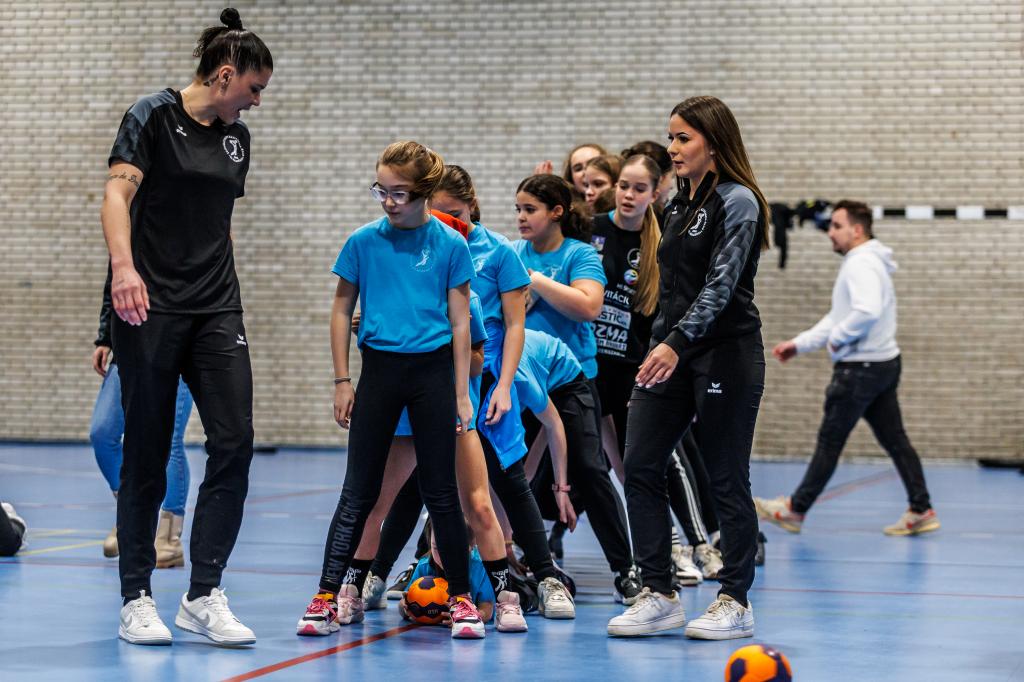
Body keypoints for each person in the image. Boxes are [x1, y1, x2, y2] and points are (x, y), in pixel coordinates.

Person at [102, 7, 271, 646]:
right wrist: (124, 272)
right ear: (225, 75)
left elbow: (218, 223)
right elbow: (116, 196)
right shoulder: (151, 115)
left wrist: (221, 286)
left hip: (217, 308)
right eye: (253, 88)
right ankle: (136, 597)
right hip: (150, 307)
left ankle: (203, 595)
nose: (256, 102)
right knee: (145, 450)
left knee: (234, 441)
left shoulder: (237, 139)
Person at [299, 141, 487, 641]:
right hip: (379, 373)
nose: (388, 201)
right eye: (380, 190)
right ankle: (325, 596)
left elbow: (461, 322)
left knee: (441, 492)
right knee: (357, 491)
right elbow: (341, 309)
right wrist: (342, 379)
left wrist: (461, 393)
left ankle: (461, 599)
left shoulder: (451, 245)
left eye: (399, 193)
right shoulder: (363, 241)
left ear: (424, 192)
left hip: (432, 376)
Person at [607, 96, 769, 639]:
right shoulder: (677, 205)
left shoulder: (738, 201)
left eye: (683, 138)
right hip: (670, 351)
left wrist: (675, 343)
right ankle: (659, 594)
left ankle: (735, 600)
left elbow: (721, 286)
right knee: (640, 465)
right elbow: (671, 289)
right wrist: (661, 342)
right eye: (670, 137)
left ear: (714, 143)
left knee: (725, 476)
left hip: (725, 353)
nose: (672, 148)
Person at [755, 200, 939, 536]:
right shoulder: (869, 260)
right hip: (882, 365)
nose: (830, 232)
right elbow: (840, 316)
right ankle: (921, 508)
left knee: (830, 441)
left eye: (836, 226)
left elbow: (865, 312)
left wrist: (837, 341)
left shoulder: (860, 264)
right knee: (895, 440)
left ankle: (795, 510)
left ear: (857, 230)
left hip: (859, 371)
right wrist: (801, 343)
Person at [513, 174, 641, 604]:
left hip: (573, 378)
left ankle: (625, 570)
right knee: (511, 469)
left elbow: (588, 306)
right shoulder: (512, 253)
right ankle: (513, 557)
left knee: (590, 467)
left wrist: (535, 280)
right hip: (525, 374)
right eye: (517, 209)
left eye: (530, 209)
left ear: (557, 213)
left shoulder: (579, 254)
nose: (521, 217)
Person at [90, 278, 193, 567]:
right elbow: (114, 281)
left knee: (170, 439)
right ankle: (132, 515)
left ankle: (168, 538)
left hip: (177, 341)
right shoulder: (123, 245)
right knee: (103, 432)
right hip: (130, 342)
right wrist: (105, 336)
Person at [398, 520, 496, 629]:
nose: (443, 557)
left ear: (471, 546)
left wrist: (467, 617)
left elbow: (487, 609)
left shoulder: (482, 567)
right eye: (436, 548)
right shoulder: (424, 566)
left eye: (452, 549)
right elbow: (403, 603)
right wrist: (405, 608)